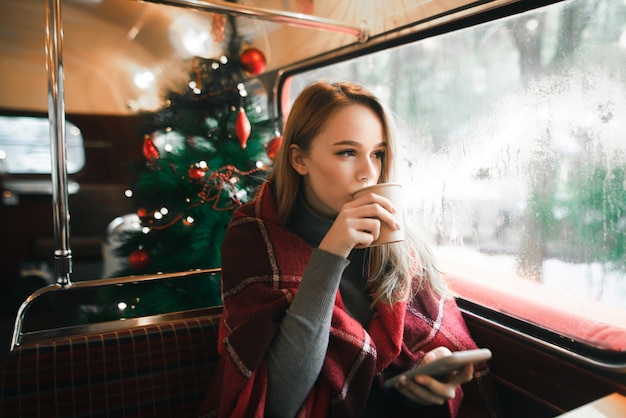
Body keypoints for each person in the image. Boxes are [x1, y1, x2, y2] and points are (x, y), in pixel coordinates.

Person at [199, 81, 500, 417]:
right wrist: (332, 252)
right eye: (347, 152)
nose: (368, 173)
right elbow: (278, 402)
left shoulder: (398, 240)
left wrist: (427, 377)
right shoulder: (256, 237)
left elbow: (392, 371)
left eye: (378, 154)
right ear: (300, 159)